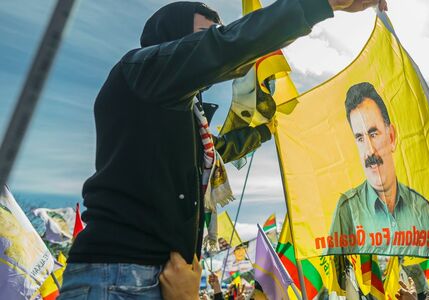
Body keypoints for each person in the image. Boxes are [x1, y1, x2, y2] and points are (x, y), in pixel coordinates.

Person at [58, 0, 387, 299]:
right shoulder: (140, 71)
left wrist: (263, 131)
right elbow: (225, 47)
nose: (215, 40)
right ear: (172, 38)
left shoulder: (181, 111)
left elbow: (217, 151)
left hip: (158, 277)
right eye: (205, 35)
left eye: (216, 33)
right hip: (119, 274)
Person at [326, 82, 429, 257]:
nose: (369, 150)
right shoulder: (346, 210)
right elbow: (333, 279)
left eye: (373, 134)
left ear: (391, 137)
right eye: (360, 138)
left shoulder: (423, 211)